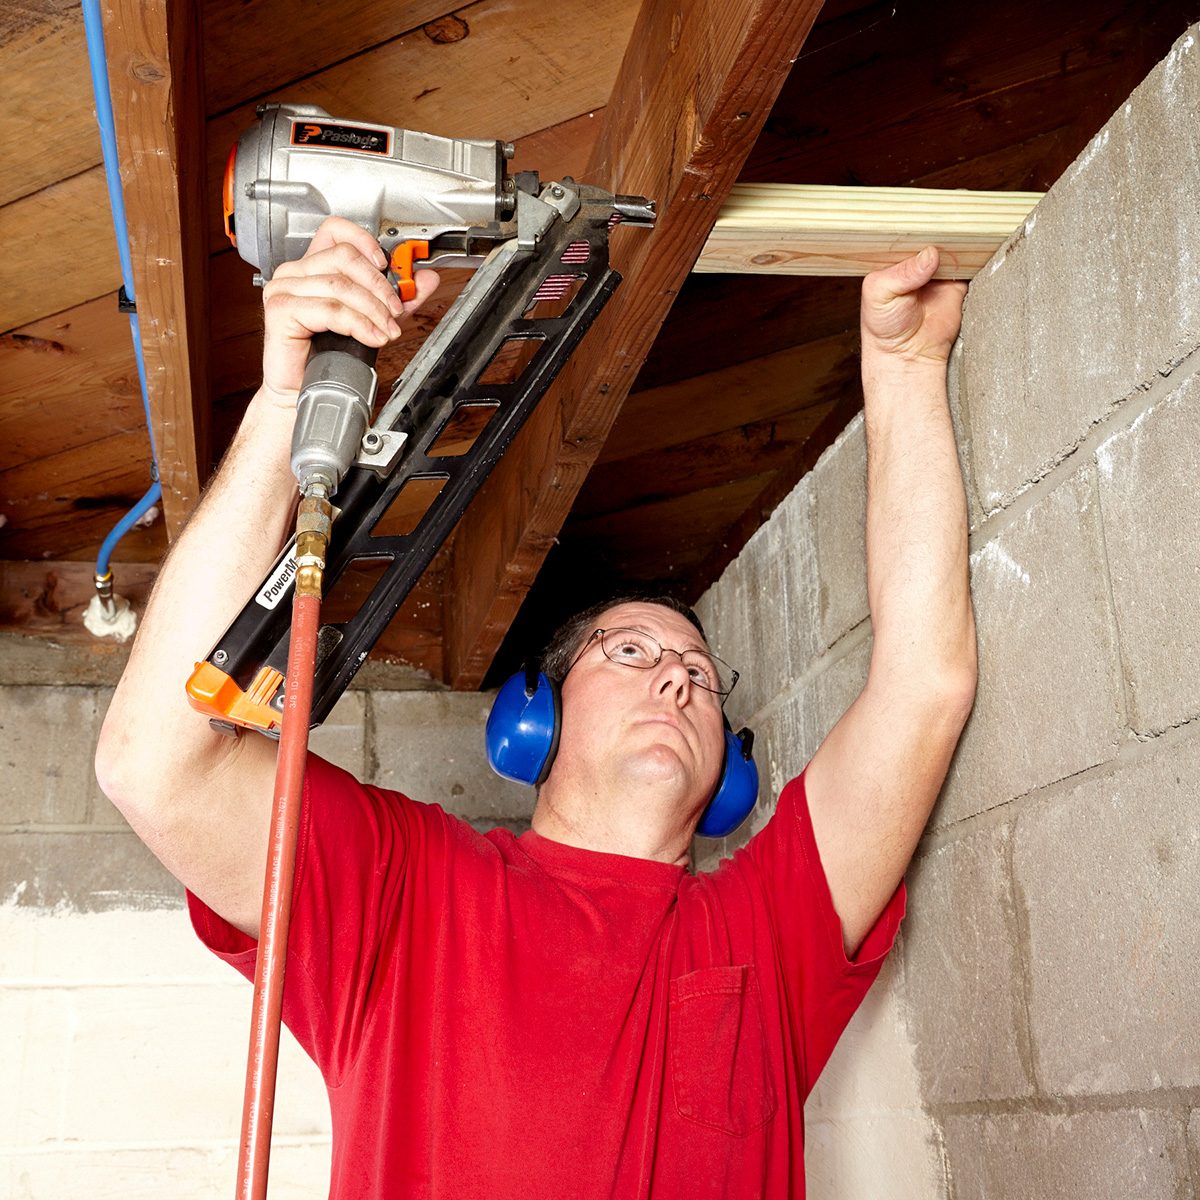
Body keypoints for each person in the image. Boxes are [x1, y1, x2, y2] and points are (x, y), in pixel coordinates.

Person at [95, 217, 976, 1197]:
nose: (679, 678)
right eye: (631, 651)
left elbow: (922, 686)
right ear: (538, 719)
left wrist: (903, 369)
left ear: (730, 770)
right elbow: (155, 763)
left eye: (700, 673)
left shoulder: (767, 931)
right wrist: (285, 408)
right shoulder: (409, 891)